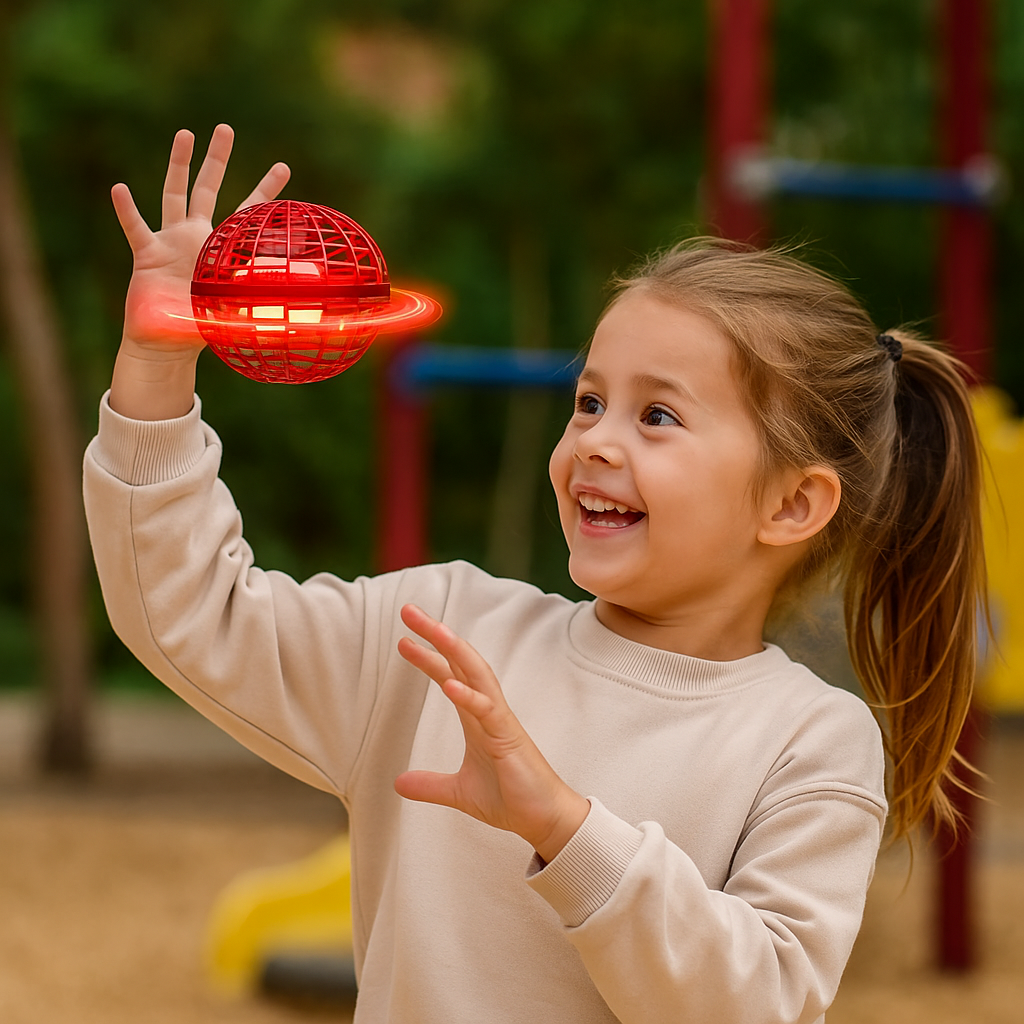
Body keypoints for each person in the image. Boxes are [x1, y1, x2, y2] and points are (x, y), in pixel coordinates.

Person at [83, 125, 985, 1024]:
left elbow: (757, 1005)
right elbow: (187, 611)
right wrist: (156, 371)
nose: (594, 438)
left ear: (791, 505)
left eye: (657, 415)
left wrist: (564, 827)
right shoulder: (439, 631)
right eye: (589, 400)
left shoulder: (810, 740)